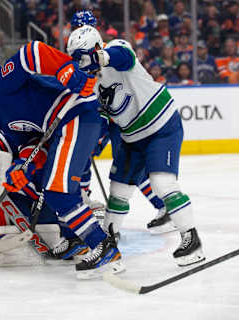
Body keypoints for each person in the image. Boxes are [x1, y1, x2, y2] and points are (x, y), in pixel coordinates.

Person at [0, 40, 124, 279]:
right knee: (55, 189)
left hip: (76, 113)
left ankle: (103, 246)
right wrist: (21, 167)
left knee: (59, 192)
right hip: (65, 127)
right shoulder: (3, 122)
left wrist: (65, 68)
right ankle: (78, 238)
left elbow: (32, 52)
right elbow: (33, 144)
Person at [66, 25, 205, 266]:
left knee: (162, 182)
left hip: (161, 126)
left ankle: (191, 239)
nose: (81, 63)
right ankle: (108, 241)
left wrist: (100, 58)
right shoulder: (88, 82)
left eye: (84, 56)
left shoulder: (117, 49)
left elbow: (125, 57)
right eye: (76, 59)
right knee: (118, 190)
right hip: (131, 137)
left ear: (97, 48)